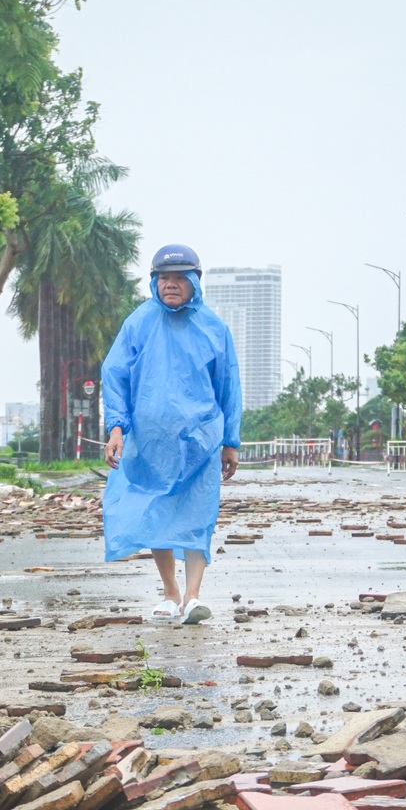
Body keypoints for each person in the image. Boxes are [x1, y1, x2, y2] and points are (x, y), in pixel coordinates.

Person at [100, 244, 241, 625]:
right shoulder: (138, 323)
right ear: (154, 282)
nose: (171, 285)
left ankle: (193, 597)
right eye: (165, 278)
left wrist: (230, 441)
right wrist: (117, 428)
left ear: (195, 281)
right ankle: (170, 593)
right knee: (156, 509)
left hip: (201, 441)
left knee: (198, 514)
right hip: (149, 441)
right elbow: (115, 376)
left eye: (180, 277)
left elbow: (228, 387)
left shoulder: (214, 329)